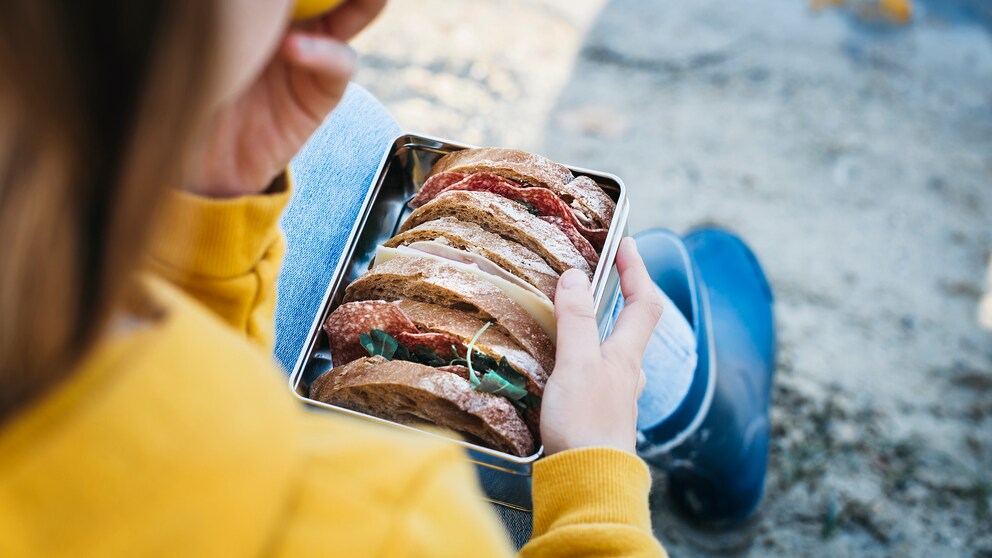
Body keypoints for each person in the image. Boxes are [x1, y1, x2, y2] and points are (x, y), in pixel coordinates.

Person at [0, 1, 666, 556]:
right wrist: (597, 483)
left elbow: (168, 385)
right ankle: (693, 405)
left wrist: (213, 218)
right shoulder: (389, 519)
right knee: (356, 128)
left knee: (346, 126)